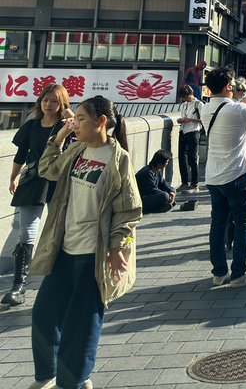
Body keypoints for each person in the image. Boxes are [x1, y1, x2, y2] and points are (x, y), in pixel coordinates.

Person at [30, 95, 141, 389]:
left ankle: (74, 382)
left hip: (93, 253)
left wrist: (117, 246)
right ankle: (47, 375)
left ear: (101, 121)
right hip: (63, 247)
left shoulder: (119, 159)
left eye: (80, 119)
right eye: (74, 119)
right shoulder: (76, 149)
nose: (74, 123)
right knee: (43, 314)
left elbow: (129, 210)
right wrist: (60, 138)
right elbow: (47, 170)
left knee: (82, 325)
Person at [201, 68, 246, 288]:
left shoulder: (206, 109)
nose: (234, 84)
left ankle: (219, 272)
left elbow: (236, 107)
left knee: (218, 224)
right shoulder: (236, 110)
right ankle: (239, 274)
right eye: (233, 82)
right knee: (243, 222)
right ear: (228, 86)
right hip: (237, 175)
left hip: (214, 176)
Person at [4, 83, 72, 307]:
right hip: (33, 180)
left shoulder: (67, 126)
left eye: (54, 101)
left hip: (58, 180)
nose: (48, 105)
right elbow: (21, 153)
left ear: (61, 104)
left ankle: (62, 281)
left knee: (60, 231)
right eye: (45, 100)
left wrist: (68, 114)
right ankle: (18, 286)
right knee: (26, 233)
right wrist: (14, 177)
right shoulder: (32, 124)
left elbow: (78, 128)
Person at [175, 85, 203, 192]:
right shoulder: (183, 106)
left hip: (193, 132)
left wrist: (190, 120)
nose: (184, 99)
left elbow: (203, 119)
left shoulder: (199, 104)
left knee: (192, 158)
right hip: (183, 132)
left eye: (186, 97)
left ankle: (194, 184)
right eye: (183, 97)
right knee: (181, 158)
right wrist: (181, 120)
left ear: (191, 94)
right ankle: (184, 182)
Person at [135, 151, 176, 215]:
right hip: (142, 199)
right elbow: (152, 190)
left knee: (171, 191)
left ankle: (163, 205)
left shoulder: (157, 171)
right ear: (160, 163)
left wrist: (171, 192)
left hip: (151, 196)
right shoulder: (147, 172)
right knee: (164, 196)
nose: (167, 164)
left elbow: (163, 184)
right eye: (166, 162)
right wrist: (167, 196)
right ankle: (157, 207)